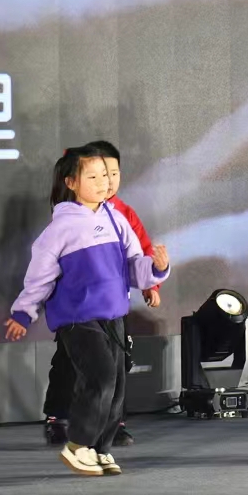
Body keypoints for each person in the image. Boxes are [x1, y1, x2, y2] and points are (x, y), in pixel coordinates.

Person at [6, 146, 171, 476]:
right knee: (100, 376)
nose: (102, 182)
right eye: (92, 177)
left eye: (105, 176)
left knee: (117, 385)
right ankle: (78, 445)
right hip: (77, 319)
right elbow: (39, 277)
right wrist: (23, 313)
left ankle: (100, 449)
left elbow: (134, 265)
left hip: (114, 316)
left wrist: (156, 269)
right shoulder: (60, 229)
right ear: (71, 182)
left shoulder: (116, 219)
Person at [42, 139, 157, 447]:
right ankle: (58, 417)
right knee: (70, 362)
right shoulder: (73, 214)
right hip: (79, 307)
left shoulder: (122, 214)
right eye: (98, 174)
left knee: (117, 365)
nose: (107, 180)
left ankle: (112, 424)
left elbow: (140, 252)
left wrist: (151, 284)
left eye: (112, 174)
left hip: (114, 304)